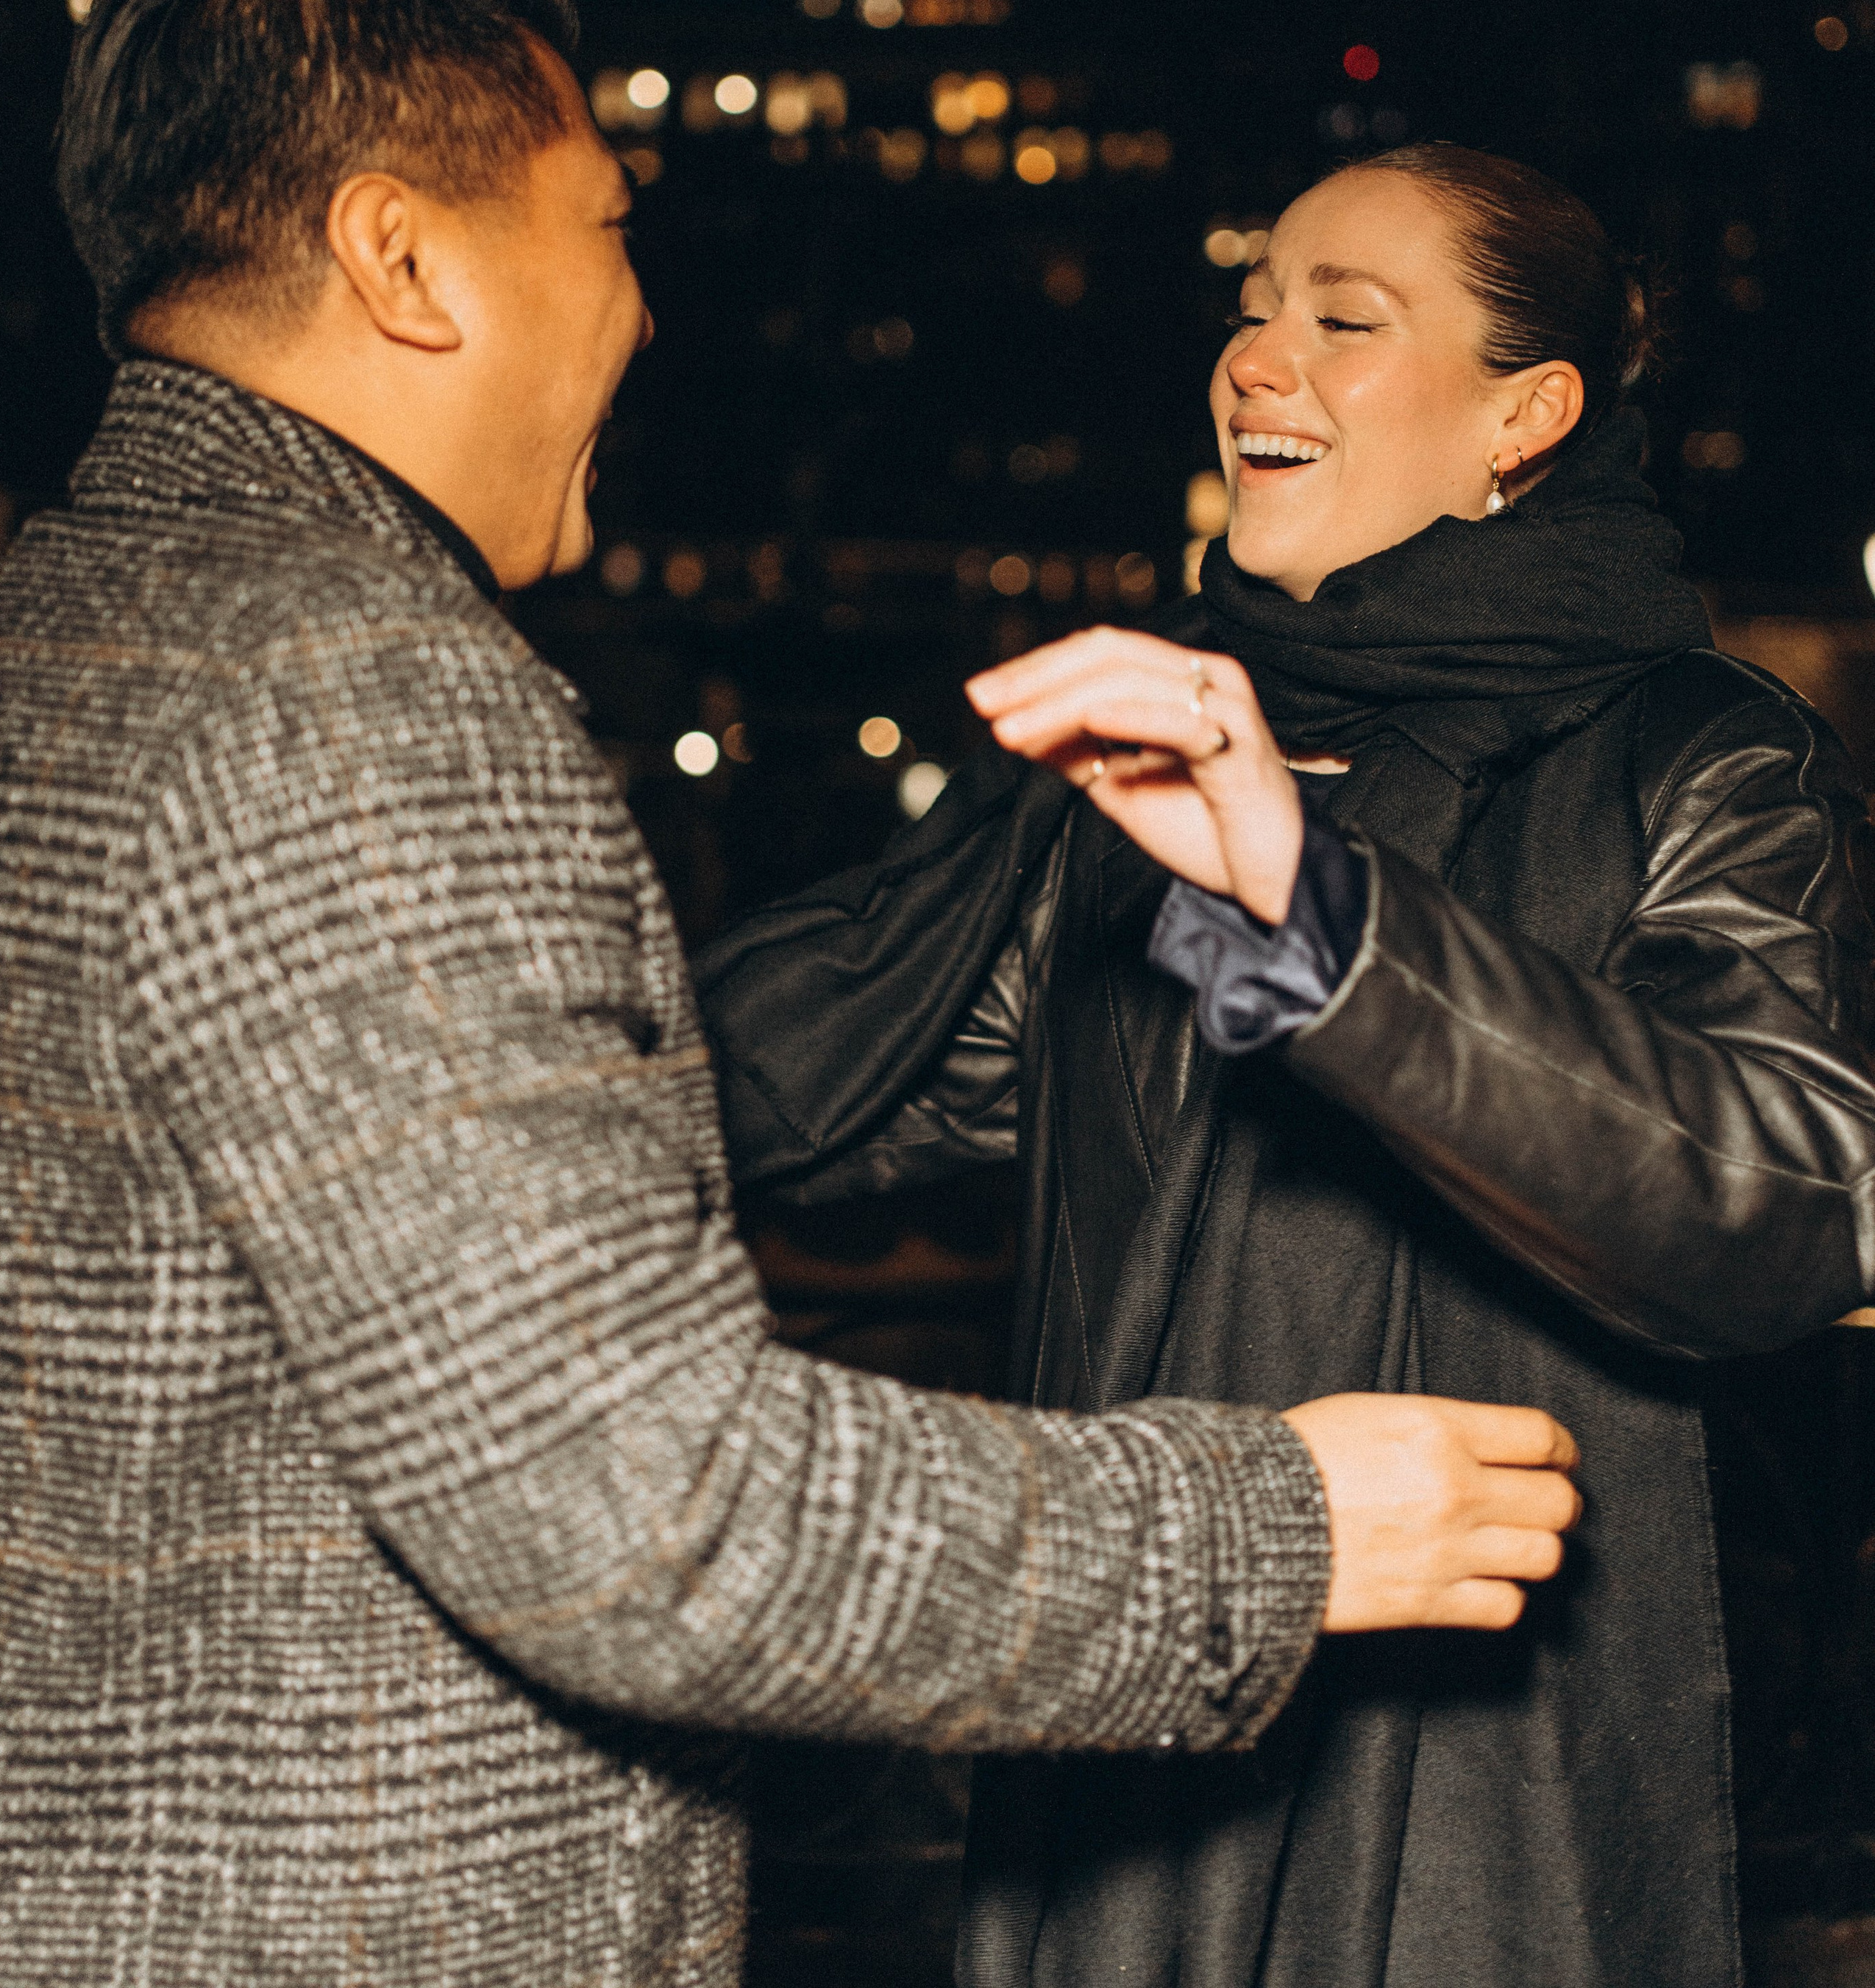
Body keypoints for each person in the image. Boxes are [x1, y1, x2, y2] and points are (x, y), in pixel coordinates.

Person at [0, 0, 1580, 1988]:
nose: (639, 316)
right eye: (606, 225)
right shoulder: (355, 691)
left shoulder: (67, 638)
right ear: (402, 258)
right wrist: (1271, 1532)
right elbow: (635, 1509)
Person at [699, 144, 1875, 1988]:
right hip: (1138, 1743)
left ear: (1526, 416)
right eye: (1252, 311)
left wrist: (1322, 918)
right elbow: (862, 1072)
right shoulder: (1141, 752)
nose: (1260, 359)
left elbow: (1781, 1198)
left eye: (1344, 321)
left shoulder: (1699, 753)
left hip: (1497, 1788)